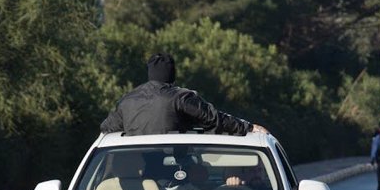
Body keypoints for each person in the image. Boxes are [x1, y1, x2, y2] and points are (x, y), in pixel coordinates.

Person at [100, 53, 268, 136]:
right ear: (172, 75)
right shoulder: (179, 97)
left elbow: (106, 128)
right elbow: (214, 119)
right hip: (175, 169)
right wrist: (249, 127)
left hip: (136, 171)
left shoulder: (127, 101)